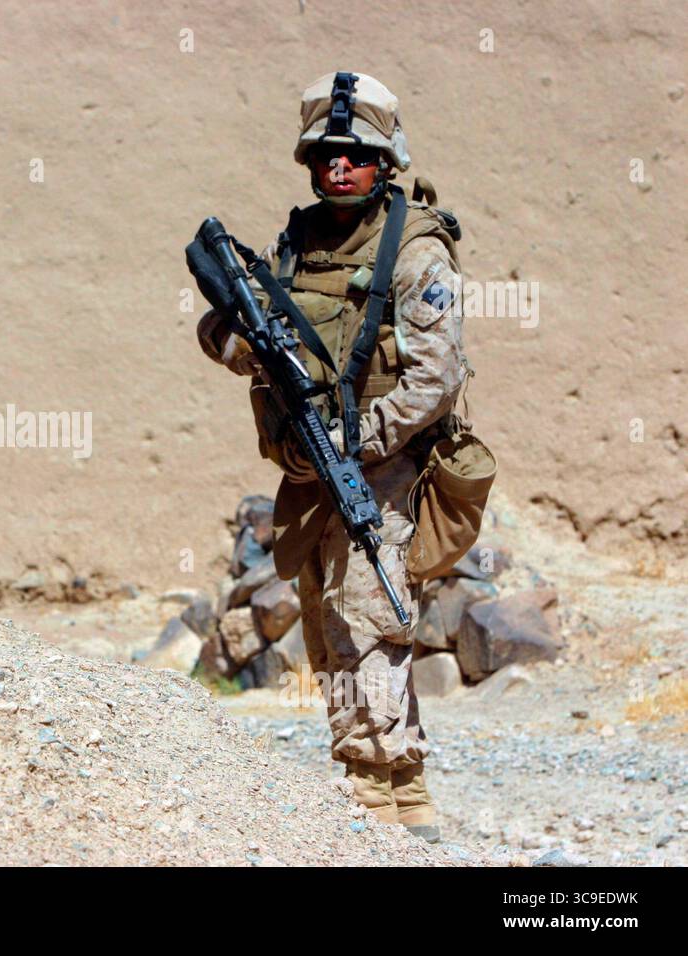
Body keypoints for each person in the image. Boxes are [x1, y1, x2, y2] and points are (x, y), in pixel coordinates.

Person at [197, 71, 470, 842]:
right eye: (325, 155)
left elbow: (435, 379)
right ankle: (391, 784)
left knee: (372, 613)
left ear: (387, 162)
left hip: (385, 466)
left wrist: (357, 444)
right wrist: (246, 346)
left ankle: (378, 786)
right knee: (328, 621)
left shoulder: (416, 251)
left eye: (355, 154)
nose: (338, 167)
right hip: (307, 467)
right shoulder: (296, 243)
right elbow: (222, 332)